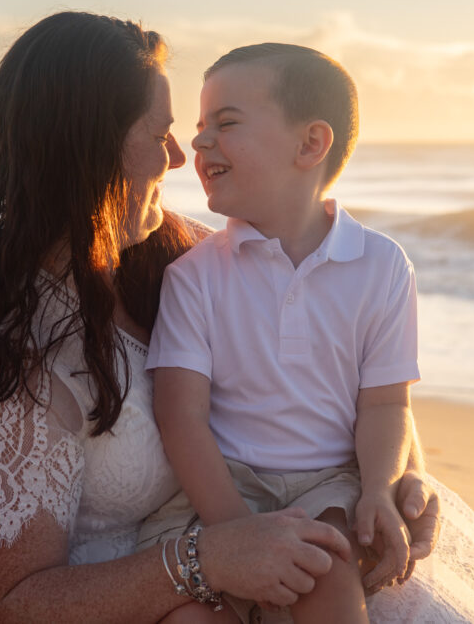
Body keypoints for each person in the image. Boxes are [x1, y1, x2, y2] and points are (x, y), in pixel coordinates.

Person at [0, 11, 441, 623]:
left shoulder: (182, 256)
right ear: (88, 150)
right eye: (161, 135)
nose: (182, 157)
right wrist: (206, 558)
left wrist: (400, 480)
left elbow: (356, 383)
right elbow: (8, 607)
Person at [137, 44, 418, 624]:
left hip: (328, 487)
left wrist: (379, 489)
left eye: (227, 123)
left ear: (310, 144)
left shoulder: (382, 266)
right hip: (221, 486)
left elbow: (388, 401)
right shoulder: (195, 275)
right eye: (199, 127)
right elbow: (180, 417)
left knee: (332, 581)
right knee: (187, 619)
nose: (198, 143)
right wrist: (239, 534)